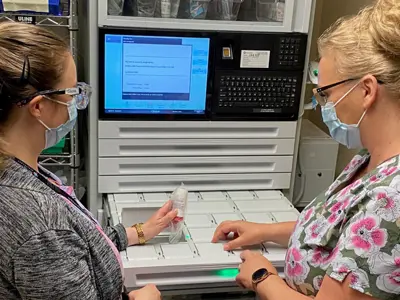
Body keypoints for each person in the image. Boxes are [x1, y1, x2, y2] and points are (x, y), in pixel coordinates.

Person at [212, 0, 400, 299]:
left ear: (366, 90)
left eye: (326, 94)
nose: (323, 104)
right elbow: (334, 234)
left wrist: (263, 278)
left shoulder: (391, 198)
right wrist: (264, 231)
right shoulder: (369, 159)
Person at [0, 22, 176, 300]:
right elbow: (53, 239)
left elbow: (77, 244)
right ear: (38, 107)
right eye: (71, 93)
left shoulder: (17, 169)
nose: (76, 103)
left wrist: (138, 232)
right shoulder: (41, 222)